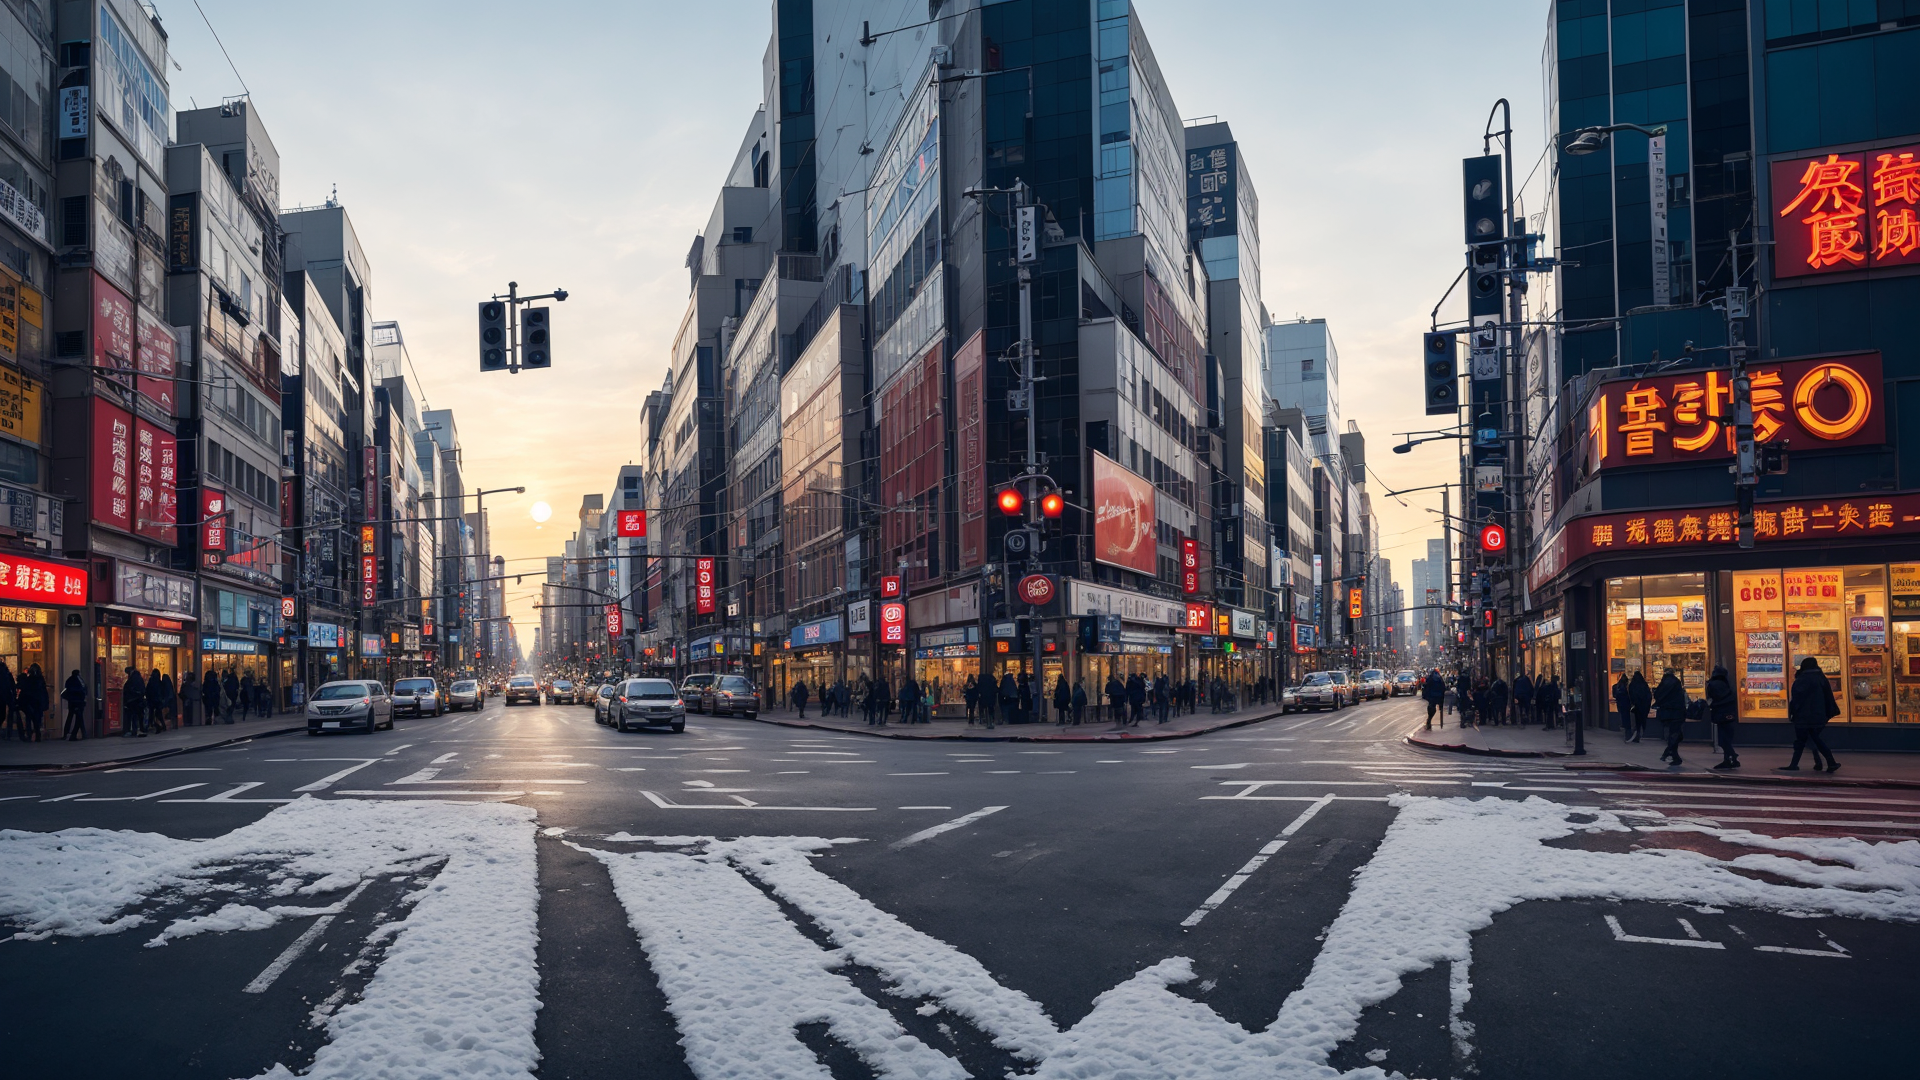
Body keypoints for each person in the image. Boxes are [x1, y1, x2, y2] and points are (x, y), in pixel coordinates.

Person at [1781, 657, 1840, 773]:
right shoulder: (1821, 678)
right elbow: (1828, 697)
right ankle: (1823, 762)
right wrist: (1829, 712)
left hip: (1803, 716)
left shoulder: (1802, 679)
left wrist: (1792, 713)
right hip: (1819, 715)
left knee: (1803, 740)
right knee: (1813, 738)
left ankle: (1797, 764)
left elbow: (1796, 699)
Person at [1652, 667, 1689, 767]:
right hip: (1677, 712)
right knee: (1676, 734)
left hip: (1667, 712)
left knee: (1673, 734)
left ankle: (1670, 753)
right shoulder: (1676, 682)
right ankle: (1671, 754)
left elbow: (1658, 695)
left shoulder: (1664, 683)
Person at [1705, 665, 1739, 770]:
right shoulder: (1727, 684)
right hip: (1729, 712)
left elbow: (1712, 698)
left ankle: (1731, 756)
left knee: (1722, 738)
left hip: (1720, 712)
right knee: (1726, 737)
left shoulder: (1713, 684)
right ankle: (1730, 757)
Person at [20, 664, 46, 742]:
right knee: (36, 719)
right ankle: (37, 734)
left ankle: (30, 734)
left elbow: (25, 690)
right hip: (36, 701)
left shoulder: (29, 680)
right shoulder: (40, 680)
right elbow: (43, 691)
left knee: (29, 718)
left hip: (30, 701)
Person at [61, 670, 88, 740]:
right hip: (79, 702)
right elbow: (84, 690)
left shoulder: (69, 680)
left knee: (70, 717)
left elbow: (67, 689)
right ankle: (78, 734)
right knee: (79, 718)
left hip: (71, 702)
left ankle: (66, 734)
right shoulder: (80, 681)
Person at [1627, 670, 1651, 743]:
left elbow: (1631, 695)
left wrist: (1633, 703)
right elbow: (1648, 695)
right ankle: (1641, 734)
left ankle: (1636, 734)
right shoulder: (1644, 685)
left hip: (1636, 706)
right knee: (1642, 720)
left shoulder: (1633, 685)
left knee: (1636, 721)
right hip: (1644, 706)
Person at [122, 667, 147, 736]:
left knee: (133, 716)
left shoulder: (132, 679)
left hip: (133, 701)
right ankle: (138, 730)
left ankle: (133, 730)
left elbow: (128, 689)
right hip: (138, 700)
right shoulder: (139, 678)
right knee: (138, 716)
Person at [1612, 673, 1632, 739]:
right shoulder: (1628, 687)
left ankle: (1624, 728)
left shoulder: (1616, 686)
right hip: (1627, 704)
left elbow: (1614, 695)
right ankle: (1627, 730)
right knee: (1627, 717)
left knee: (1622, 716)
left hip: (1620, 704)